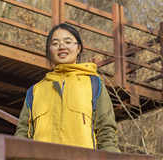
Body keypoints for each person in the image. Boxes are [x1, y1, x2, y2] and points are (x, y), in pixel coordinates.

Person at [14, 23, 118, 152]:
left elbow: (106, 130)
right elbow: (23, 134)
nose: (62, 47)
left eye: (68, 42)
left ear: (79, 48)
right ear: (49, 50)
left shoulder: (94, 84)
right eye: (55, 44)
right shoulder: (35, 91)